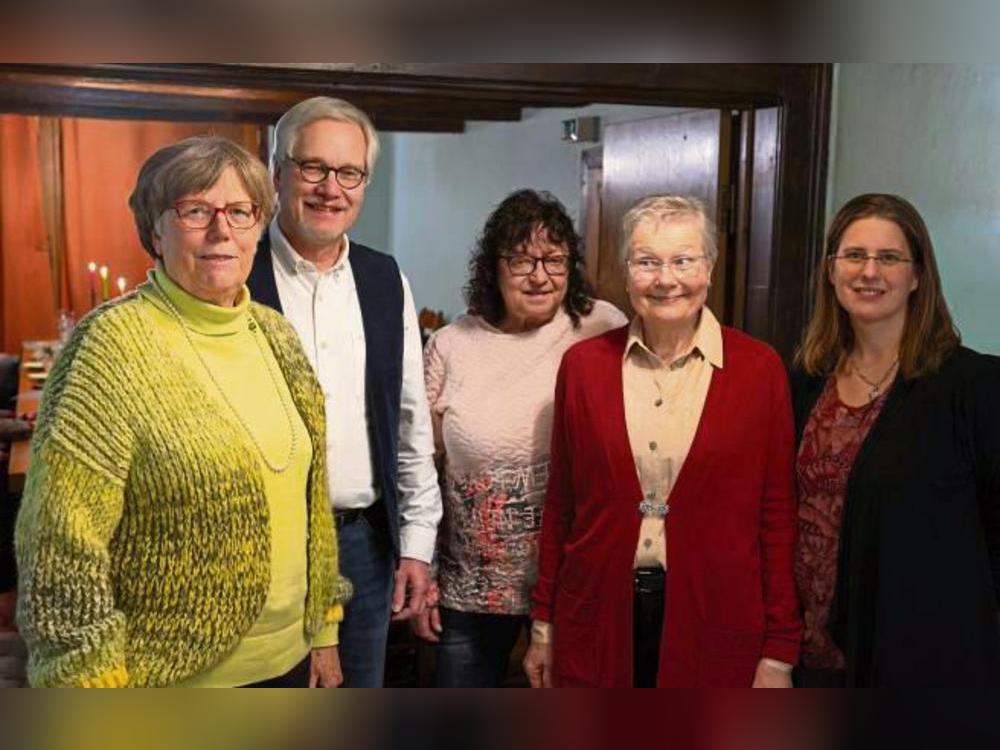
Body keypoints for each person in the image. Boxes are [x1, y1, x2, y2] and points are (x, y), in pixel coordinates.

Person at [15, 136, 350, 687]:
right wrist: (86, 680)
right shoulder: (112, 346)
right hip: (170, 675)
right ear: (154, 229)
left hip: (290, 662)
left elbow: (310, 497)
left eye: (240, 212)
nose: (223, 230)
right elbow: (61, 541)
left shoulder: (274, 334)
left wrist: (323, 631)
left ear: (259, 226)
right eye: (196, 210)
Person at [526, 195, 801, 687]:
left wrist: (780, 649)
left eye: (683, 260)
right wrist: (544, 624)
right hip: (595, 613)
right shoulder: (584, 368)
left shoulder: (760, 371)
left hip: (716, 619)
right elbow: (562, 506)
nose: (666, 279)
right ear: (626, 272)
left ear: (710, 268)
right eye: (647, 262)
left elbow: (776, 515)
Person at [247, 97, 442, 687]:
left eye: (349, 173)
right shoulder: (236, 273)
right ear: (277, 170)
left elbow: (408, 423)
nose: (332, 188)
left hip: (363, 546)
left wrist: (416, 544)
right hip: (261, 549)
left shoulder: (385, 279)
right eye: (313, 168)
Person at [414, 189, 626, 686]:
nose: (538, 275)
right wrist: (422, 572)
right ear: (493, 267)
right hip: (469, 592)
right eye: (521, 260)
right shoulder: (451, 344)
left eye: (553, 259)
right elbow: (419, 470)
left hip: (575, 585)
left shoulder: (602, 328)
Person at [791, 193, 1000, 687]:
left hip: (924, 663)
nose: (869, 272)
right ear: (830, 269)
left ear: (918, 275)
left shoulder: (973, 386)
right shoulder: (803, 380)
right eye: (854, 255)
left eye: (888, 258)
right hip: (808, 658)